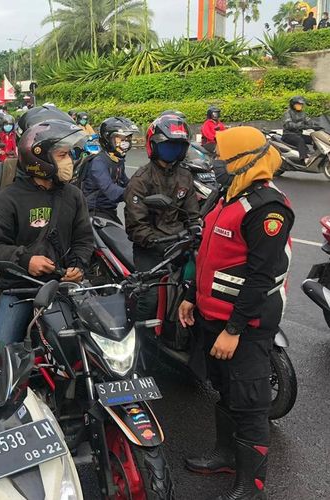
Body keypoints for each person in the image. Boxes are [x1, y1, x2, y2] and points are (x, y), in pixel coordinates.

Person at [179, 127, 293, 500]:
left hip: (246, 326)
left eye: (223, 157)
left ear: (245, 160)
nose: (216, 163)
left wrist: (234, 329)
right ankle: (226, 455)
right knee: (224, 390)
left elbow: (261, 278)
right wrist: (190, 295)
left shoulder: (268, 208)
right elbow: (205, 250)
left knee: (250, 403)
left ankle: (251, 487)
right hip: (211, 315)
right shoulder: (226, 195)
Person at [0, 120, 95, 344]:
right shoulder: (9, 198)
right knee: (1, 352)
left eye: (69, 155)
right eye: (62, 155)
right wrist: (26, 260)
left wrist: (78, 265)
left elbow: (84, 238)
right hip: (19, 289)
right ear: (39, 159)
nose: (69, 162)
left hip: (62, 287)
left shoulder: (73, 196)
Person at [0, 104, 76, 337]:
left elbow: (78, 226)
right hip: (8, 268)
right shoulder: (0, 174)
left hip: (56, 265)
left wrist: (79, 264)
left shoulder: (62, 177)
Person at [124, 114, 201, 324]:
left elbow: (193, 213)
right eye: (168, 146)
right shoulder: (141, 180)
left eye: (178, 147)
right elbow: (136, 225)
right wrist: (157, 241)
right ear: (154, 146)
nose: (173, 151)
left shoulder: (185, 176)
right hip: (152, 248)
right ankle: (139, 337)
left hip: (180, 244)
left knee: (199, 289)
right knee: (150, 298)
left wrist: (196, 229)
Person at [79, 117, 139, 224]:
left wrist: (146, 188)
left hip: (108, 212)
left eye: (128, 138)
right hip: (93, 214)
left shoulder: (117, 160)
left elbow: (126, 182)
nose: (125, 142)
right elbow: (111, 191)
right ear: (108, 139)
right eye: (120, 138)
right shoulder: (98, 162)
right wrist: (136, 194)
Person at [282, 95, 317, 162]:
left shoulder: (302, 113)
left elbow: (309, 121)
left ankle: (318, 155)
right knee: (300, 140)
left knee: (314, 138)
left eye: (301, 104)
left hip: (298, 134)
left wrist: (316, 125)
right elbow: (289, 125)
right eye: (298, 104)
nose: (300, 106)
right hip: (288, 135)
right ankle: (304, 158)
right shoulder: (287, 113)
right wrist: (301, 125)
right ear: (293, 104)